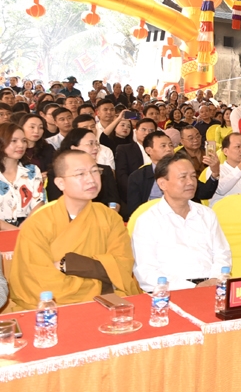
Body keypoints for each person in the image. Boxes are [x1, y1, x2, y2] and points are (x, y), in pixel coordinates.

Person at [7, 150, 140, 310]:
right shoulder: (38, 224)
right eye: (80, 174)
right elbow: (35, 282)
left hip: (107, 303)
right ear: (60, 183)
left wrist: (68, 264)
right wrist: (98, 277)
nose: (91, 179)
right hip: (54, 310)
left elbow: (122, 266)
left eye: (95, 171)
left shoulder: (109, 217)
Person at [132, 153, 232, 292]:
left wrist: (216, 279)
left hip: (212, 287)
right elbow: (146, 272)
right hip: (172, 291)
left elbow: (222, 253)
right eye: (183, 177)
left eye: (193, 176)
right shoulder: (147, 221)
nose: (191, 182)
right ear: (162, 183)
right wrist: (193, 288)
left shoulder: (206, 214)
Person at [46, 128, 120, 210]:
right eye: (90, 144)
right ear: (74, 148)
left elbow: (114, 200)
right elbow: (56, 202)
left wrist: (110, 213)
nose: (95, 147)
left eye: (96, 144)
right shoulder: (56, 173)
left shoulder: (105, 170)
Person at [0, 123, 44, 229]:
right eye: (14, 141)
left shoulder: (32, 170)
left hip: (29, 227)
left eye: (24, 140)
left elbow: (39, 202)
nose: (21, 145)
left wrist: (23, 228)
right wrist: (12, 230)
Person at [206, 133, 241, 206]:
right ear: (225, 151)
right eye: (238, 147)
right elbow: (220, 190)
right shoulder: (215, 169)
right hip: (222, 214)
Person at [115, 118, 156, 201]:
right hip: (135, 194)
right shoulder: (124, 149)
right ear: (136, 131)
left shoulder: (161, 150)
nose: (147, 133)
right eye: (143, 130)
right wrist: (135, 192)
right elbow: (121, 175)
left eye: (151, 131)